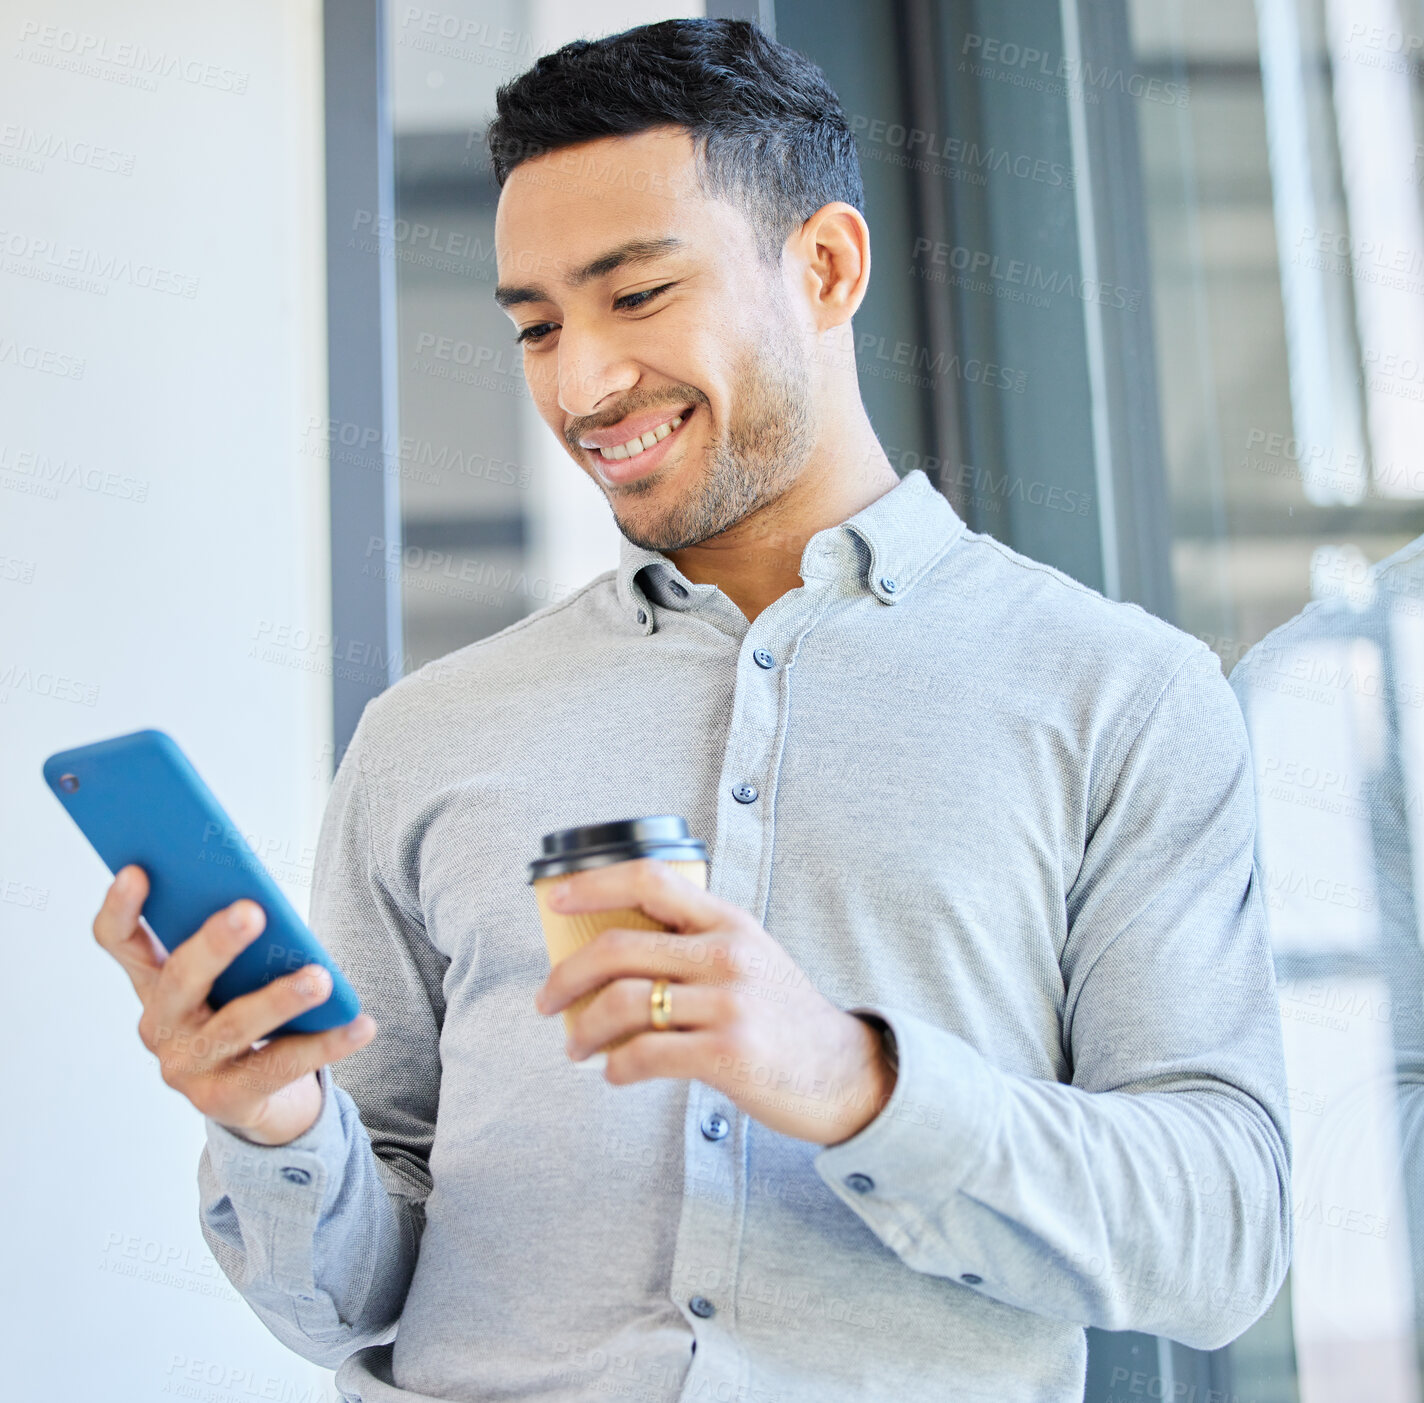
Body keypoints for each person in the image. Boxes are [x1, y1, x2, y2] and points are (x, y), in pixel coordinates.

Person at [90, 18, 1290, 1403]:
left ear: (828, 266)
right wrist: (272, 1120)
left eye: (639, 295)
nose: (581, 383)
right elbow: (351, 1305)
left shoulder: (1123, 698)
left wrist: (855, 1080)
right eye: (536, 324)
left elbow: (1223, 1237)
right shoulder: (427, 734)